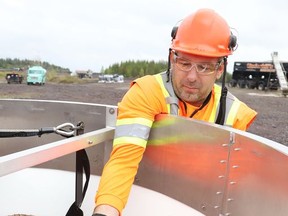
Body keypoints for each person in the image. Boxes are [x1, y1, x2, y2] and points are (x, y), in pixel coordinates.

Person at [92, 8, 257, 216]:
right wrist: (105, 212)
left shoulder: (236, 114)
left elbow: (236, 189)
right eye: (184, 63)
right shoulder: (147, 92)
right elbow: (123, 161)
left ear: (220, 69)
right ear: (172, 58)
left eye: (204, 67)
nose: (191, 77)